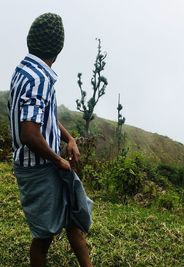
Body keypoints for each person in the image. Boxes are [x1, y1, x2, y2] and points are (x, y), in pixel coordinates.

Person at [8, 13, 93, 267]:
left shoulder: (24, 69)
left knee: (73, 221)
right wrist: (58, 161)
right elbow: (29, 133)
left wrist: (69, 138)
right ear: (59, 49)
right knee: (43, 238)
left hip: (46, 165)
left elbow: (43, 115)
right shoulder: (40, 79)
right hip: (40, 169)